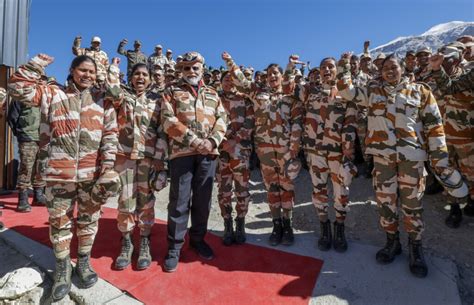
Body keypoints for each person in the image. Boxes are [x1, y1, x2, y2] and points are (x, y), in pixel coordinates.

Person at [8, 54, 120, 300]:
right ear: (72, 70)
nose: (87, 75)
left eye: (92, 72)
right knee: (60, 222)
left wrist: (108, 166)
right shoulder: (52, 93)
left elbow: (111, 135)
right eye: (83, 70)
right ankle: (61, 268)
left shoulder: (104, 100)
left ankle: (82, 262)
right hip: (59, 173)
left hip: (92, 174)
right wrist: (35, 64)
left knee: (89, 220)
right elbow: (17, 88)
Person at [336, 52, 454, 278]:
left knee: (412, 205)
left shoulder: (421, 92)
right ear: (381, 72)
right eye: (385, 68)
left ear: (402, 69)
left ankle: (415, 248)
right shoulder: (372, 92)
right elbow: (345, 91)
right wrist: (344, 67)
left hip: (412, 159)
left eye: (394, 67)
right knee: (385, 203)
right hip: (383, 160)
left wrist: (440, 159)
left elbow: (435, 127)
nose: (389, 71)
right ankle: (392, 243)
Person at [222, 51, 303, 247]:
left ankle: (288, 226)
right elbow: (241, 81)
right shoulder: (258, 94)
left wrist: (293, 147)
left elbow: (297, 122)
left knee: (287, 188)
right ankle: (276, 227)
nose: (273, 76)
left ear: (282, 76)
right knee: (272, 189)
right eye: (270, 74)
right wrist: (230, 62)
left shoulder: (290, 97)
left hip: (285, 151)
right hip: (265, 151)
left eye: (276, 73)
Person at [161, 51, 227, 272]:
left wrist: (212, 141)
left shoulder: (212, 93)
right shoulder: (171, 91)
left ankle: (197, 239)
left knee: (203, 200)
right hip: (182, 153)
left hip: (208, 153)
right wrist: (194, 141)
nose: (190, 71)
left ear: (202, 69)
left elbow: (222, 119)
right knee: (179, 201)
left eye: (195, 67)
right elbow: (167, 120)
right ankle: (174, 247)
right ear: (181, 70)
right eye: (186, 68)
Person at [295, 57, 357, 252]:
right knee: (319, 191)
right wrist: (291, 68)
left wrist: (347, 146)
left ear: (337, 70)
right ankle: (324, 229)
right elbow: (290, 86)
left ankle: (339, 229)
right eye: (323, 67)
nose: (327, 70)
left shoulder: (345, 92)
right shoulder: (310, 91)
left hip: (338, 152)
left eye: (331, 66)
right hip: (315, 152)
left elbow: (351, 119)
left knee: (341, 192)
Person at [111, 63, 168, 270]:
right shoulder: (122, 97)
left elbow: (163, 130)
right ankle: (126, 241)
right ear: (131, 77)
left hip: (148, 157)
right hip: (124, 156)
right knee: (125, 200)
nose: (141, 78)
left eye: (145, 74)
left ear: (151, 78)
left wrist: (160, 160)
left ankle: (144, 240)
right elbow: (111, 91)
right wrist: (113, 70)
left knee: (146, 200)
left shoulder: (158, 101)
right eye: (137, 74)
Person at [429, 51, 474, 226]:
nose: (444, 62)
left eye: (447, 59)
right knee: (447, 173)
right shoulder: (437, 82)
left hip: (466, 139)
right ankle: (454, 209)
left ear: (456, 61)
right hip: (443, 139)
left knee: (471, 176)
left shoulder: (466, 77)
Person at [217, 71, 254, 246]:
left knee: (242, 190)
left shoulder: (245, 99)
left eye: (232, 80)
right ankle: (227, 224)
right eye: (226, 79)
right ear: (221, 82)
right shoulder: (213, 99)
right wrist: (221, 141)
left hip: (240, 151)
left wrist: (234, 141)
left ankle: (240, 223)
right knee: (224, 191)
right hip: (220, 151)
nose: (229, 82)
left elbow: (250, 122)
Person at [7, 89, 46, 212]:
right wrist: (21, 133)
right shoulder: (21, 96)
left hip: (45, 137)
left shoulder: (47, 96)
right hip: (28, 136)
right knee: (26, 167)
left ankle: (38, 196)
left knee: (42, 167)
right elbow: (12, 117)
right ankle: (23, 199)